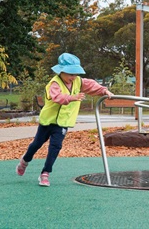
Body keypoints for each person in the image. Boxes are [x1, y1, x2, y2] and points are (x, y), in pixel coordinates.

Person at [16, 53, 114, 187]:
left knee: (55, 147)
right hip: (48, 121)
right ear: (61, 71)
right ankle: (25, 161)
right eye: (70, 73)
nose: (73, 77)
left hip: (62, 123)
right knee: (37, 144)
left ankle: (45, 173)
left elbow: (91, 85)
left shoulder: (78, 81)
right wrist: (72, 97)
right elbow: (57, 97)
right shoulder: (54, 83)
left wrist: (104, 91)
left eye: (75, 73)